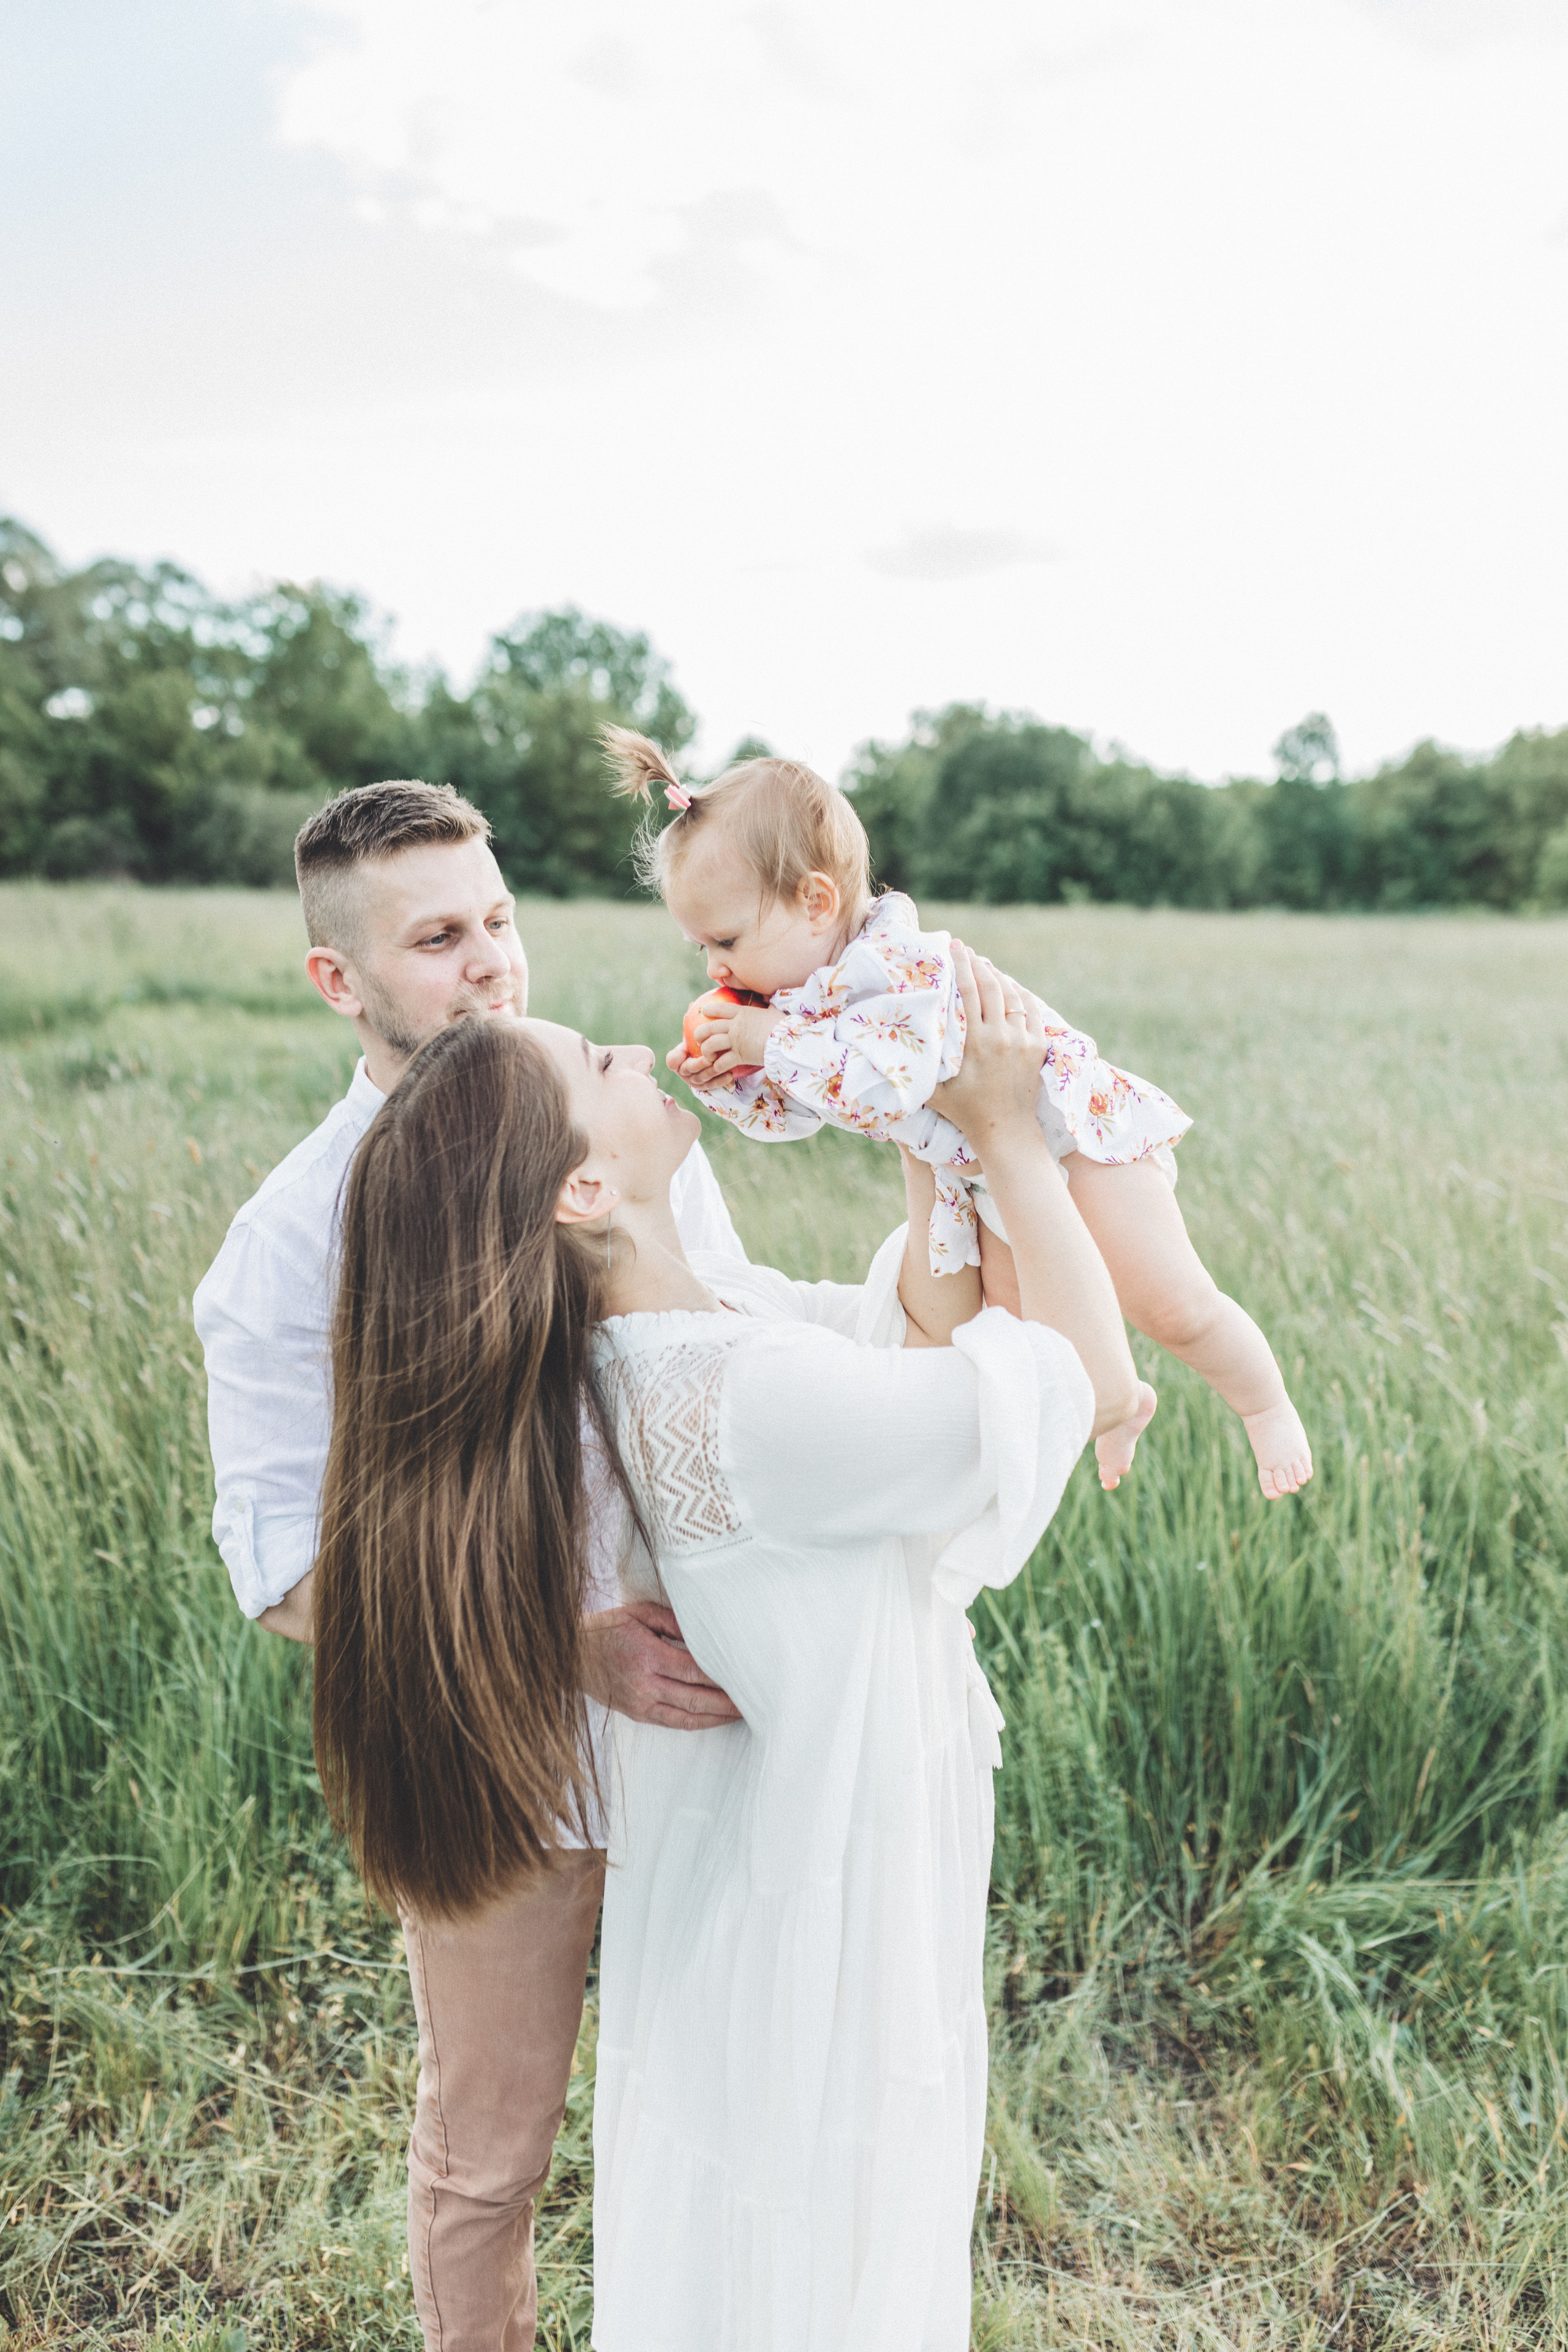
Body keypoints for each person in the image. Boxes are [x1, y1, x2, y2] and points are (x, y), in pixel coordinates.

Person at [310, 944, 1140, 2346]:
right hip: (816, 1885)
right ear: (584, 1187)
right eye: (598, 1067)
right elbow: (1072, 1378)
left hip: (767, 1870)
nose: (637, 1054)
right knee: (820, 2250)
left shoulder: (690, 1336)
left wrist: (918, 1126)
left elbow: (902, 1331)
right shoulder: (736, 1394)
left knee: (760, 2246)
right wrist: (1003, 1130)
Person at [192, 778, 745, 2351]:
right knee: (490, 2156)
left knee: (711, 2111)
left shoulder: (610, 1124)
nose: (493, 966)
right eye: (438, 938)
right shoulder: (289, 1245)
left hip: (714, 1714)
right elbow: (290, 1577)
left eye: (497, 918)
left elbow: (722, 1345)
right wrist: (565, 1642)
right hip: (502, 1756)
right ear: (339, 978)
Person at [605, 726, 1313, 1501]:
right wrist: (733, 1077)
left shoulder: (901, 966)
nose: (716, 968)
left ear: (815, 902)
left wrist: (769, 1040)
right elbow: (813, 1112)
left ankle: (1264, 1404)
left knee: (1170, 1303)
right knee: (1022, 1343)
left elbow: (889, 1088)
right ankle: (1119, 1401)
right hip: (986, 1182)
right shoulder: (804, 1001)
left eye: (726, 939)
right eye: (700, 949)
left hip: (1078, 1141)